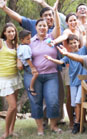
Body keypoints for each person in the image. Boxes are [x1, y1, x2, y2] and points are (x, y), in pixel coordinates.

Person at [23, 4, 61, 135]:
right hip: (34, 76)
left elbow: (59, 27)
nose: (42, 28)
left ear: (47, 27)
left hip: (51, 75)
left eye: (44, 26)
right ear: (36, 27)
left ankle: (54, 126)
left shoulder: (52, 38)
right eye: (40, 26)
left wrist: (55, 11)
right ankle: (40, 129)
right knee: (36, 101)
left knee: (53, 101)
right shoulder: (30, 41)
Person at [45, 34, 87, 134]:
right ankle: (78, 124)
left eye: (75, 42)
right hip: (73, 82)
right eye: (71, 43)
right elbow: (61, 62)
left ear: (78, 42)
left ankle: (77, 123)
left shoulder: (83, 50)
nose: (73, 44)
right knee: (74, 103)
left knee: (78, 102)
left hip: (83, 82)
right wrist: (51, 59)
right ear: (68, 45)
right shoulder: (68, 55)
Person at [0, 23, 24, 139]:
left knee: (14, 108)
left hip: (15, 77)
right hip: (4, 79)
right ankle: (5, 132)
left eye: (13, 31)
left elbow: (19, 61)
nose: (11, 33)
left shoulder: (16, 45)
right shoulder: (1, 43)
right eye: (9, 31)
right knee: (13, 106)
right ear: (4, 33)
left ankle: (11, 131)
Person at [17, 30, 38, 96]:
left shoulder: (20, 46)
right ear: (22, 40)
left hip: (25, 66)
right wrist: (32, 67)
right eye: (27, 39)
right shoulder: (26, 47)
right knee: (36, 74)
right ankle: (31, 87)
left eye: (30, 38)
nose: (30, 40)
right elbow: (27, 58)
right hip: (28, 65)